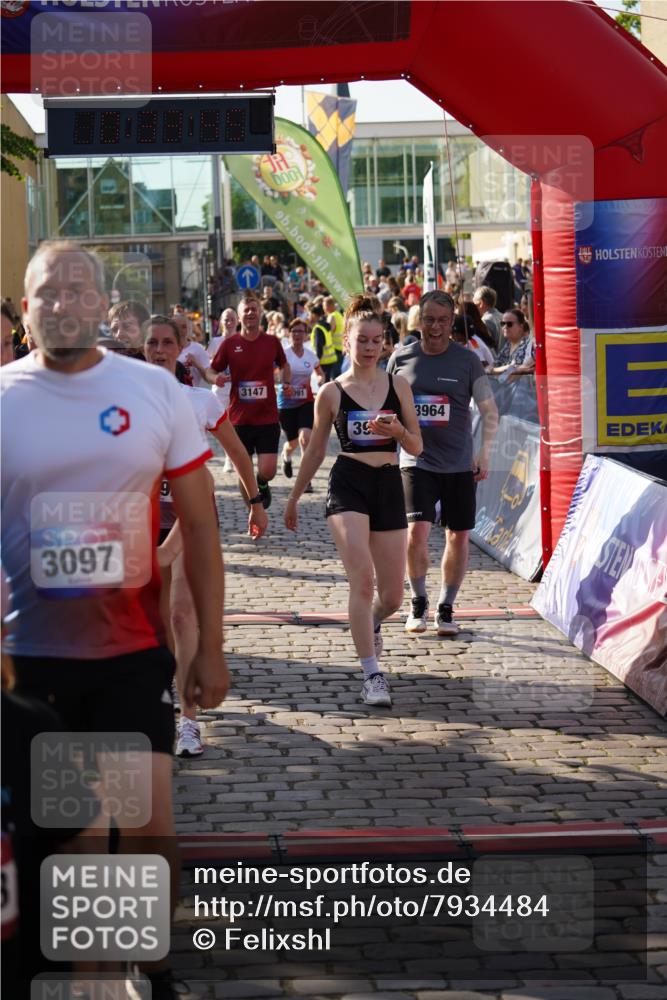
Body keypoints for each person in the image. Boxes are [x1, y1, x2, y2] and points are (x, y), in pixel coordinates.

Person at [1, 241, 227, 1000]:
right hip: (31, 663)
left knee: (150, 836)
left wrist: (212, 650)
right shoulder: (2, 398)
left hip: (133, 651)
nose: (62, 302)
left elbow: (199, 528)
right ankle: (102, 979)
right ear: (24, 309)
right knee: (86, 841)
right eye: (45, 292)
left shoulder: (153, 391)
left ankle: (147, 966)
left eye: (77, 289)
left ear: (103, 304)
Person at [285, 295, 422, 708]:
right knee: (361, 579)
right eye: (362, 340)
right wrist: (293, 497)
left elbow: (418, 444)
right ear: (347, 341)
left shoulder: (398, 386)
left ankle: (374, 621)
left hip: (387, 483)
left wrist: (397, 431)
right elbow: (313, 451)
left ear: (384, 344)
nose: (369, 347)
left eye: (376, 340)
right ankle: (372, 673)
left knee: (394, 596)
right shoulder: (330, 393)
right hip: (347, 484)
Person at [143, 315, 267, 758]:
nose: (158, 350)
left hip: (191, 520)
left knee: (180, 616)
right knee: (150, 624)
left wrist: (256, 501)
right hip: (141, 520)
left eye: (166, 343)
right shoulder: (125, 402)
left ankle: (188, 721)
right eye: (151, 343)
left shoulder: (199, 402)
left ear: (181, 350)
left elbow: (235, 451)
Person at [387, 290, 498, 638]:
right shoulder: (401, 359)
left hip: (457, 463)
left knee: (458, 535)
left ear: (452, 323)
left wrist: (484, 453)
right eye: (429, 319)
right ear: (419, 320)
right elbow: (384, 407)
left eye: (442, 320)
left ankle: (446, 606)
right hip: (414, 459)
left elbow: (490, 411)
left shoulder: (467, 361)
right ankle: (418, 601)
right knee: (416, 531)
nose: (435, 327)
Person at [205, 291, 292, 510]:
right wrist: (217, 378)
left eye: (254, 309)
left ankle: (262, 483)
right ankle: (254, 510)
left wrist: (287, 382)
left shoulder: (271, 342)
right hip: (240, 418)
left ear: (260, 313)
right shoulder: (229, 344)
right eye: (247, 310)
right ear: (240, 316)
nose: (251, 313)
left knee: (269, 470)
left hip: (267, 416)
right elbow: (210, 371)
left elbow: (284, 364)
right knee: (243, 469)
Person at [279, 318, 324, 490]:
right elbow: (275, 374)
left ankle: (306, 480)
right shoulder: (283, 354)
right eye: (294, 331)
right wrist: (284, 384)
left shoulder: (310, 356)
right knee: (292, 443)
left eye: (300, 331)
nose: (297, 334)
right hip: (286, 404)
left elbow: (320, 373)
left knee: (305, 438)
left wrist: (320, 380)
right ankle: (286, 456)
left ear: (306, 335)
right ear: (289, 334)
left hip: (305, 401)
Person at [489, 308, 536, 383]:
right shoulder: (507, 345)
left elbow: (516, 368)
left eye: (509, 324)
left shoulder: (528, 344)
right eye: (502, 324)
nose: (505, 327)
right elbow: (496, 365)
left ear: (521, 326)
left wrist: (492, 370)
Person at [309, 300, 337, 382]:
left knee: (323, 383)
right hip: (331, 359)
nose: (309, 316)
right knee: (327, 382)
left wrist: (316, 362)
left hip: (323, 361)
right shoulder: (325, 325)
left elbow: (319, 347)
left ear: (314, 315)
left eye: (310, 314)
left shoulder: (318, 328)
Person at [473, 285, 504, 352]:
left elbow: (487, 349)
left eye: (475, 304)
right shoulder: (503, 316)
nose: (474, 308)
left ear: (481, 303)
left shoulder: (486, 321)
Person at [324, 295, 345, 377]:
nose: (324, 309)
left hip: (334, 350)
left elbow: (329, 332)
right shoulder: (339, 315)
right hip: (340, 349)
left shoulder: (332, 316)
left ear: (329, 306)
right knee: (337, 374)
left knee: (334, 375)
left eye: (324, 306)